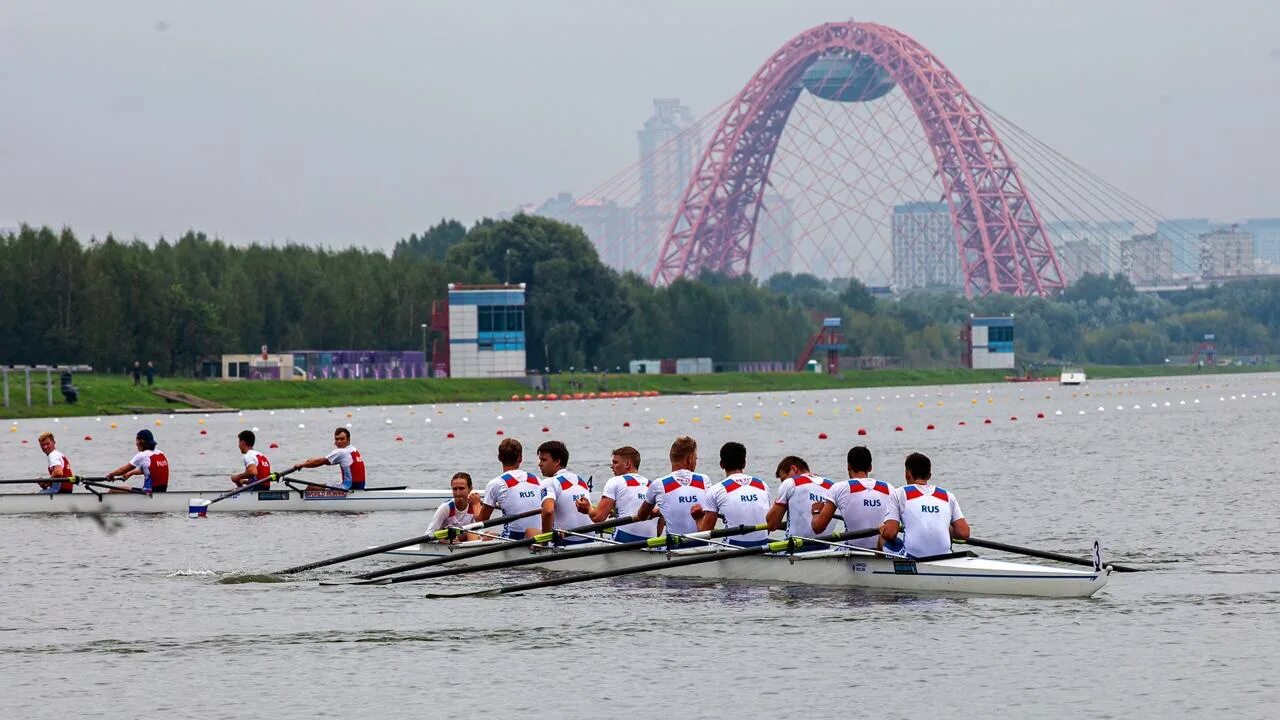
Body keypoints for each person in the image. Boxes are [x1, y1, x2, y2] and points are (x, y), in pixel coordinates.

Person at [881, 452, 970, 558]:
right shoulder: (947, 496)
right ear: (929, 476)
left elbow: (890, 534)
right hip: (945, 557)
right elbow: (964, 533)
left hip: (913, 557)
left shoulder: (899, 493)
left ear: (907, 474)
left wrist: (881, 529)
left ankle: (879, 571)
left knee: (882, 538)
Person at [812, 445, 894, 549]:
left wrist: (815, 512)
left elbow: (818, 528)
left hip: (854, 552)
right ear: (870, 467)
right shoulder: (889, 488)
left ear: (848, 466)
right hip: (882, 552)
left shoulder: (839, 488)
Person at [693, 441, 772, 547]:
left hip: (733, 548)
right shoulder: (763, 485)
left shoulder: (716, 490)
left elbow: (705, 534)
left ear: (721, 465)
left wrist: (698, 518)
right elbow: (767, 528)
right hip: (763, 545)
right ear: (744, 463)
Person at [575, 445, 659, 543]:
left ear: (627, 464)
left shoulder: (615, 481)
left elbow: (597, 517)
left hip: (624, 540)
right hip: (651, 542)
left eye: (615, 462)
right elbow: (659, 528)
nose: (611, 466)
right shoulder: (652, 485)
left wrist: (588, 509)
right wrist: (616, 512)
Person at [635, 436, 709, 538]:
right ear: (689, 459)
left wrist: (662, 510)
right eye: (695, 458)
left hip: (675, 549)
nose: (696, 462)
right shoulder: (704, 480)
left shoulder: (658, 484)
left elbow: (641, 516)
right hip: (705, 548)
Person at [474, 438, 545, 540]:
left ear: (499, 458)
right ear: (520, 458)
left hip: (514, 540)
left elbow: (482, 520)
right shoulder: (536, 480)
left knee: (486, 535)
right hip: (538, 536)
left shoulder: (496, 483)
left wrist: (475, 503)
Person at [535, 440, 592, 544]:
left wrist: (545, 541)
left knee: (529, 532)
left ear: (557, 461)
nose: (540, 464)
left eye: (543, 460)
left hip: (566, 541)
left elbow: (548, 511)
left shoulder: (549, 482)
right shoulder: (580, 480)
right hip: (590, 539)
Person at [766, 455, 833, 539]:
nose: (783, 483)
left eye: (783, 479)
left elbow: (772, 524)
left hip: (795, 548)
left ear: (794, 469)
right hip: (826, 546)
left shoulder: (790, 483)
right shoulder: (832, 485)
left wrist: (782, 497)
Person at [291, 427, 366, 490]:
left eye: (342, 439)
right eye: (337, 439)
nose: (339, 441)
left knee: (311, 487)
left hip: (348, 488)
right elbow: (326, 461)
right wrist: (310, 462)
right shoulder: (353, 450)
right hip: (359, 487)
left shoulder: (341, 452)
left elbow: (320, 462)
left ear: (348, 440)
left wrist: (301, 465)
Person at [426, 472, 483, 542]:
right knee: (472, 533)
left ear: (470, 489)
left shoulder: (474, 505)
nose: (458, 493)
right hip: (448, 544)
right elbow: (428, 534)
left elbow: (479, 528)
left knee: (487, 534)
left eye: (461, 489)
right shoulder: (446, 508)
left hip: (465, 541)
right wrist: (443, 540)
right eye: (455, 489)